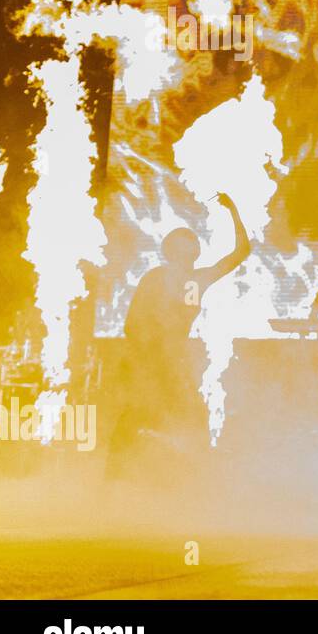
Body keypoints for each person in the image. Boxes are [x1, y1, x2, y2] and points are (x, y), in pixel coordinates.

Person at [108, 193, 250, 473]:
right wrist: (145, 355)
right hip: (148, 358)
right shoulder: (155, 278)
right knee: (137, 412)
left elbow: (241, 253)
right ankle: (113, 477)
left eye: (191, 247)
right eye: (180, 248)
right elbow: (131, 322)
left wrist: (233, 210)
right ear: (170, 251)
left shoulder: (199, 278)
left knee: (190, 416)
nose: (187, 253)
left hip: (175, 360)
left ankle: (188, 478)